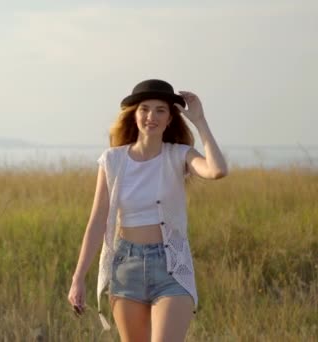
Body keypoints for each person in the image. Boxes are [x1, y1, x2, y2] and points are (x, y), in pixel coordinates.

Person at [67, 79, 228, 341]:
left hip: (171, 266)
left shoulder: (180, 154)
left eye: (160, 110)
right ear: (134, 114)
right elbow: (97, 221)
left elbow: (217, 170)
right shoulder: (113, 159)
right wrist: (78, 277)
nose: (151, 116)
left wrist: (199, 121)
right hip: (125, 267)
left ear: (169, 120)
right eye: (144, 109)